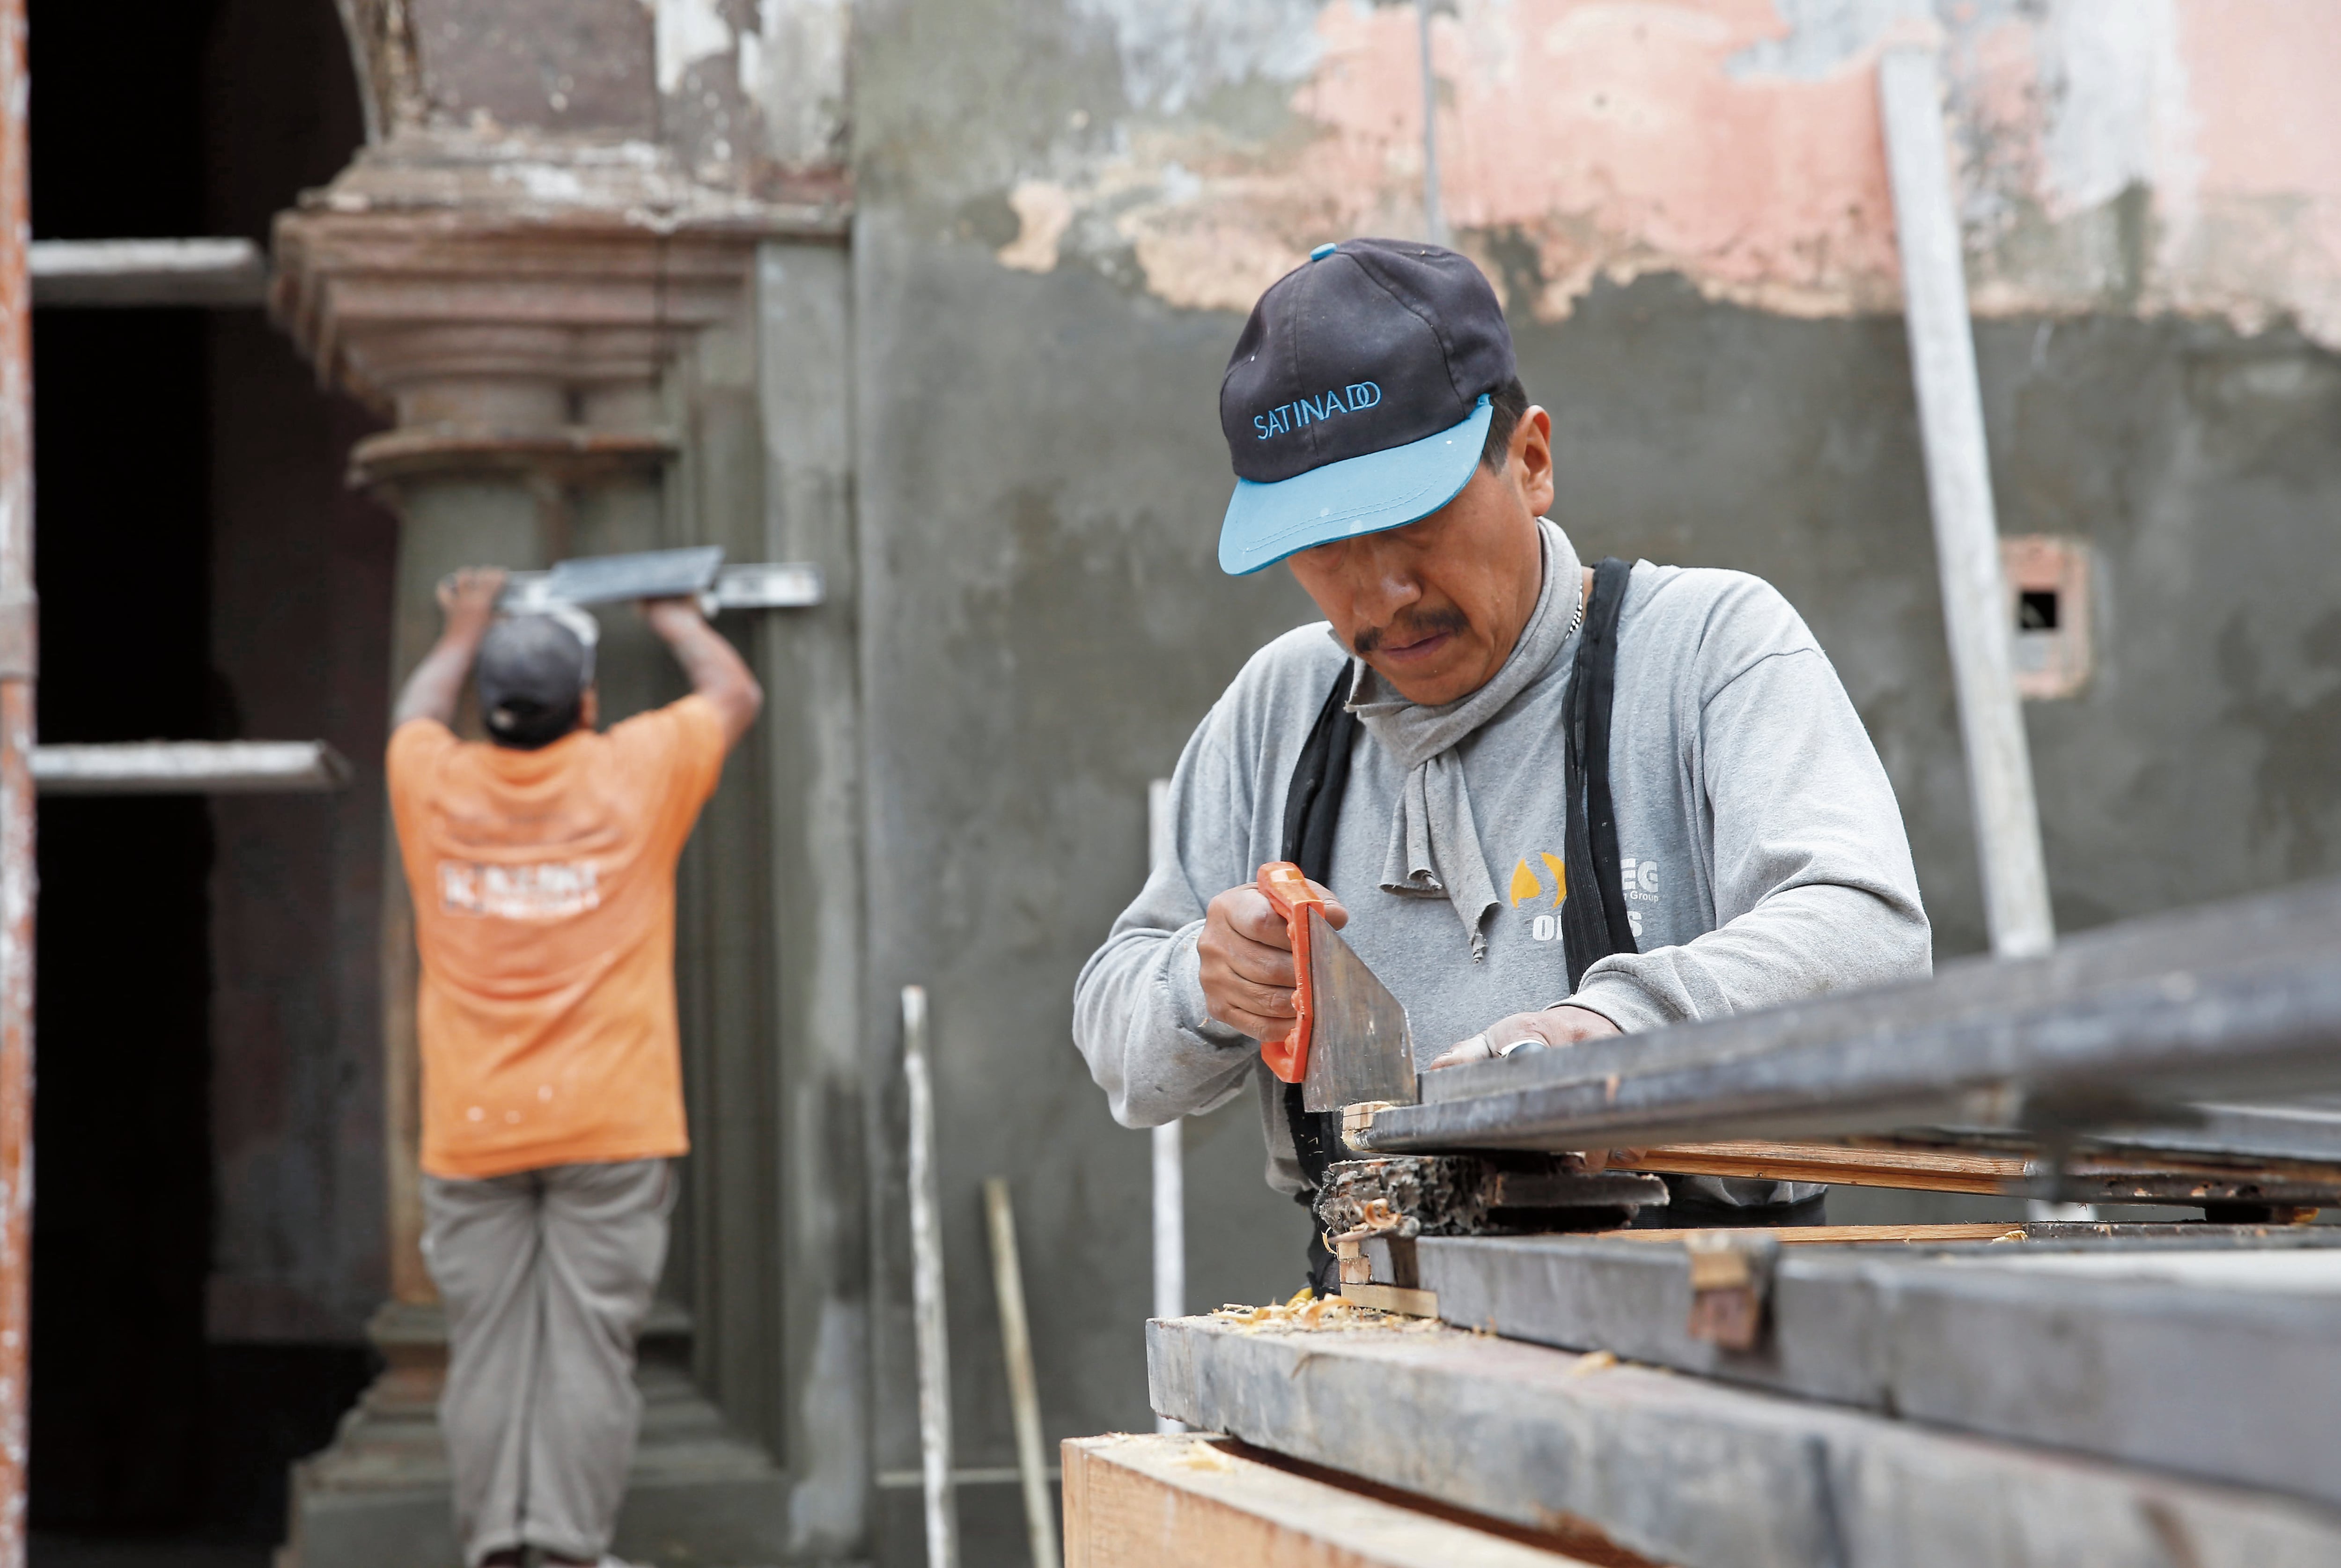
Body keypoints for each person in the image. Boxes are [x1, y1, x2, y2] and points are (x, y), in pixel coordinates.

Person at [1073, 239, 1931, 1290]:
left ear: (1529, 461)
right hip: (1371, 1319)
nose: (1379, 594)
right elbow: (1117, 1031)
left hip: (1701, 1321)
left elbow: (1869, 937)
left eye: (1411, 523)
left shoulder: (1709, 649)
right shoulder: (1278, 710)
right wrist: (1202, 982)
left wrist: (1602, 1034)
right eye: (1326, 549)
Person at [386, 568, 762, 1568]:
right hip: (611, 1121)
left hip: (472, 1131)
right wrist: (675, 614)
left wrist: (462, 624)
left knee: (490, 1351)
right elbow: (734, 695)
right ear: (585, 707)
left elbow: (415, 709)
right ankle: (563, 1551)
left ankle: (498, 1548)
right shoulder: (632, 770)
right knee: (587, 1347)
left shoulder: (431, 780)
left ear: (487, 713)